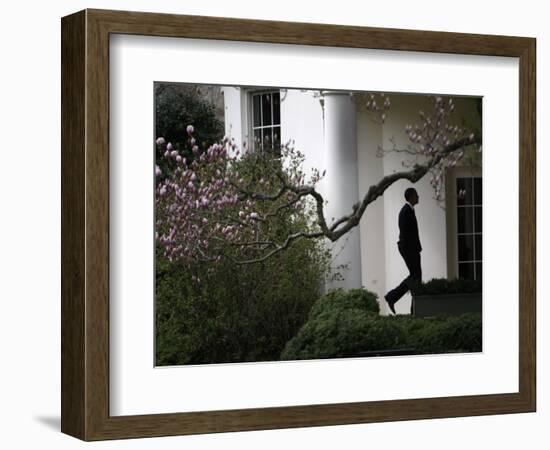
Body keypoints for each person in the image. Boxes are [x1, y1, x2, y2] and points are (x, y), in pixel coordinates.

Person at [384, 187, 422, 315]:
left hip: (411, 248)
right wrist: (413, 250)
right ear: (411, 196)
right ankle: (392, 297)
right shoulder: (406, 211)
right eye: (416, 195)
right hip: (409, 249)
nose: (418, 197)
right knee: (415, 277)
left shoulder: (409, 210)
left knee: (416, 278)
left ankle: (414, 309)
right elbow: (405, 234)